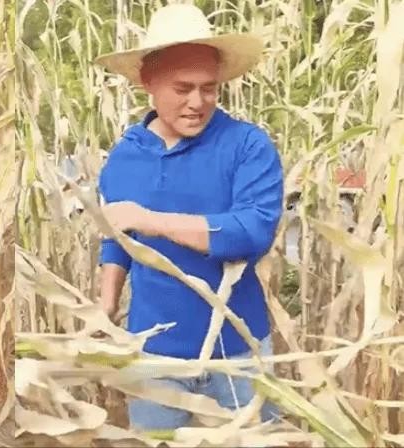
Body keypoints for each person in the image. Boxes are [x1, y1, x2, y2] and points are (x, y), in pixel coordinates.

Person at [93, 4, 283, 430]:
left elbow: (252, 232)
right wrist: (105, 305)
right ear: (148, 81)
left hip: (238, 355)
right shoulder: (124, 157)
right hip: (153, 356)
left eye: (208, 88)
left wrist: (151, 220)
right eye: (183, 88)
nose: (197, 102)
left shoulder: (248, 146)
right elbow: (117, 235)